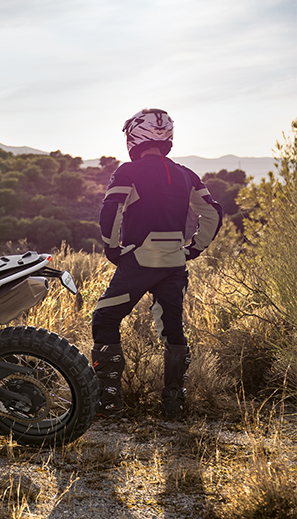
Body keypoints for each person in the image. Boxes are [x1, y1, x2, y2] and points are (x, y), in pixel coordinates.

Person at [91, 108, 223, 420]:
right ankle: (174, 404)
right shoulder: (186, 174)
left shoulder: (128, 171)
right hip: (175, 263)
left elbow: (110, 212)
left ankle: (109, 402)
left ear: (135, 137)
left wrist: (112, 249)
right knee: (173, 329)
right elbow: (213, 213)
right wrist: (194, 249)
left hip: (138, 262)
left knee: (105, 319)